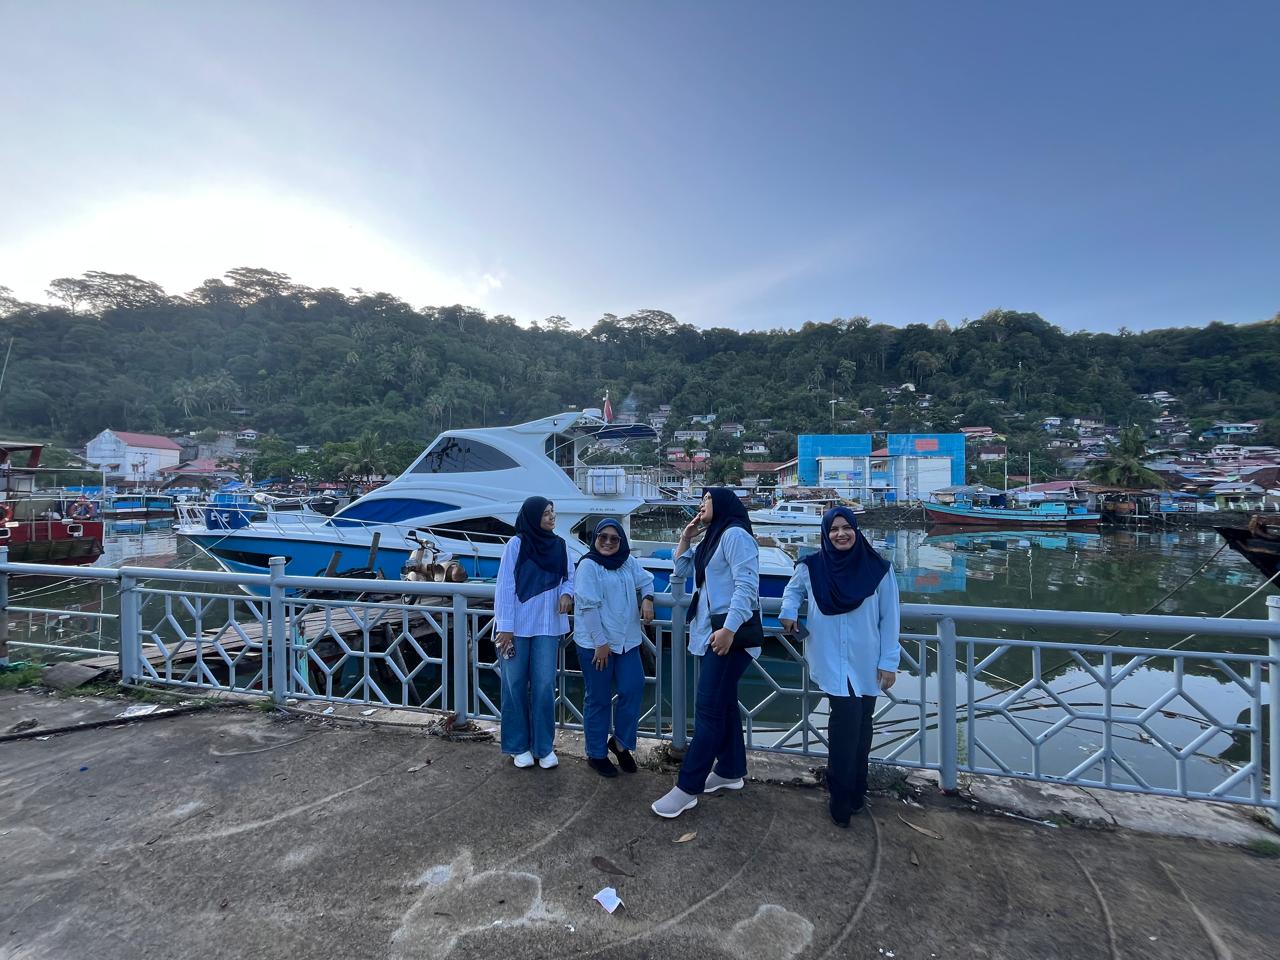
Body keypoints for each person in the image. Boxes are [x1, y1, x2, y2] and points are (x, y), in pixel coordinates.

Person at [780, 507, 900, 827]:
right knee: (845, 723)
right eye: (833, 529)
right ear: (825, 534)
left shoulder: (879, 570)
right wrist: (789, 611)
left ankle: (857, 790)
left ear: (856, 530)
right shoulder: (811, 567)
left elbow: (890, 618)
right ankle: (840, 796)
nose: (841, 534)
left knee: (863, 725)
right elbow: (793, 590)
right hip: (831, 657)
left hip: (866, 660)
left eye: (847, 527)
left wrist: (889, 662)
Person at [652, 488, 760, 818]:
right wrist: (686, 537)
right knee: (723, 705)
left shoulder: (735, 535)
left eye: (708, 499)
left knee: (708, 711)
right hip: (710, 634)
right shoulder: (713, 537)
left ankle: (687, 788)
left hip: (728, 636)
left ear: (724, 503)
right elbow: (682, 570)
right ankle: (730, 770)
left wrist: (729, 629)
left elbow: (747, 586)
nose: (702, 504)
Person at [494, 496, 574, 770]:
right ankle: (518, 746)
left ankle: (543, 746)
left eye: (552, 512)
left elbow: (569, 577)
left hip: (548, 626)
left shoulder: (560, 545)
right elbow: (505, 586)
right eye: (546, 513)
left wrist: (567, 594)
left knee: (543, 685)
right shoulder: (516, 545)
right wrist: (505, 627)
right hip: (515, 628)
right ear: (532, 517)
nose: (552, 517)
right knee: (514, 685)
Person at [573, 518, 655, 778]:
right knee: (598, 698)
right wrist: (600, 643)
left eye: (614, 538)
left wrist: (648, 599)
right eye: (603, 537)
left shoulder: (627, 561)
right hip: (596, 644)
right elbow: (587, 606)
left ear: (621, 541)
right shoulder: (588, 565)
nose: (608, 542)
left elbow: (646, 580)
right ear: (595, 538)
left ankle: (620, 744)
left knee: (633, 687)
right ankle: (595, 753)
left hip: (627, 641)